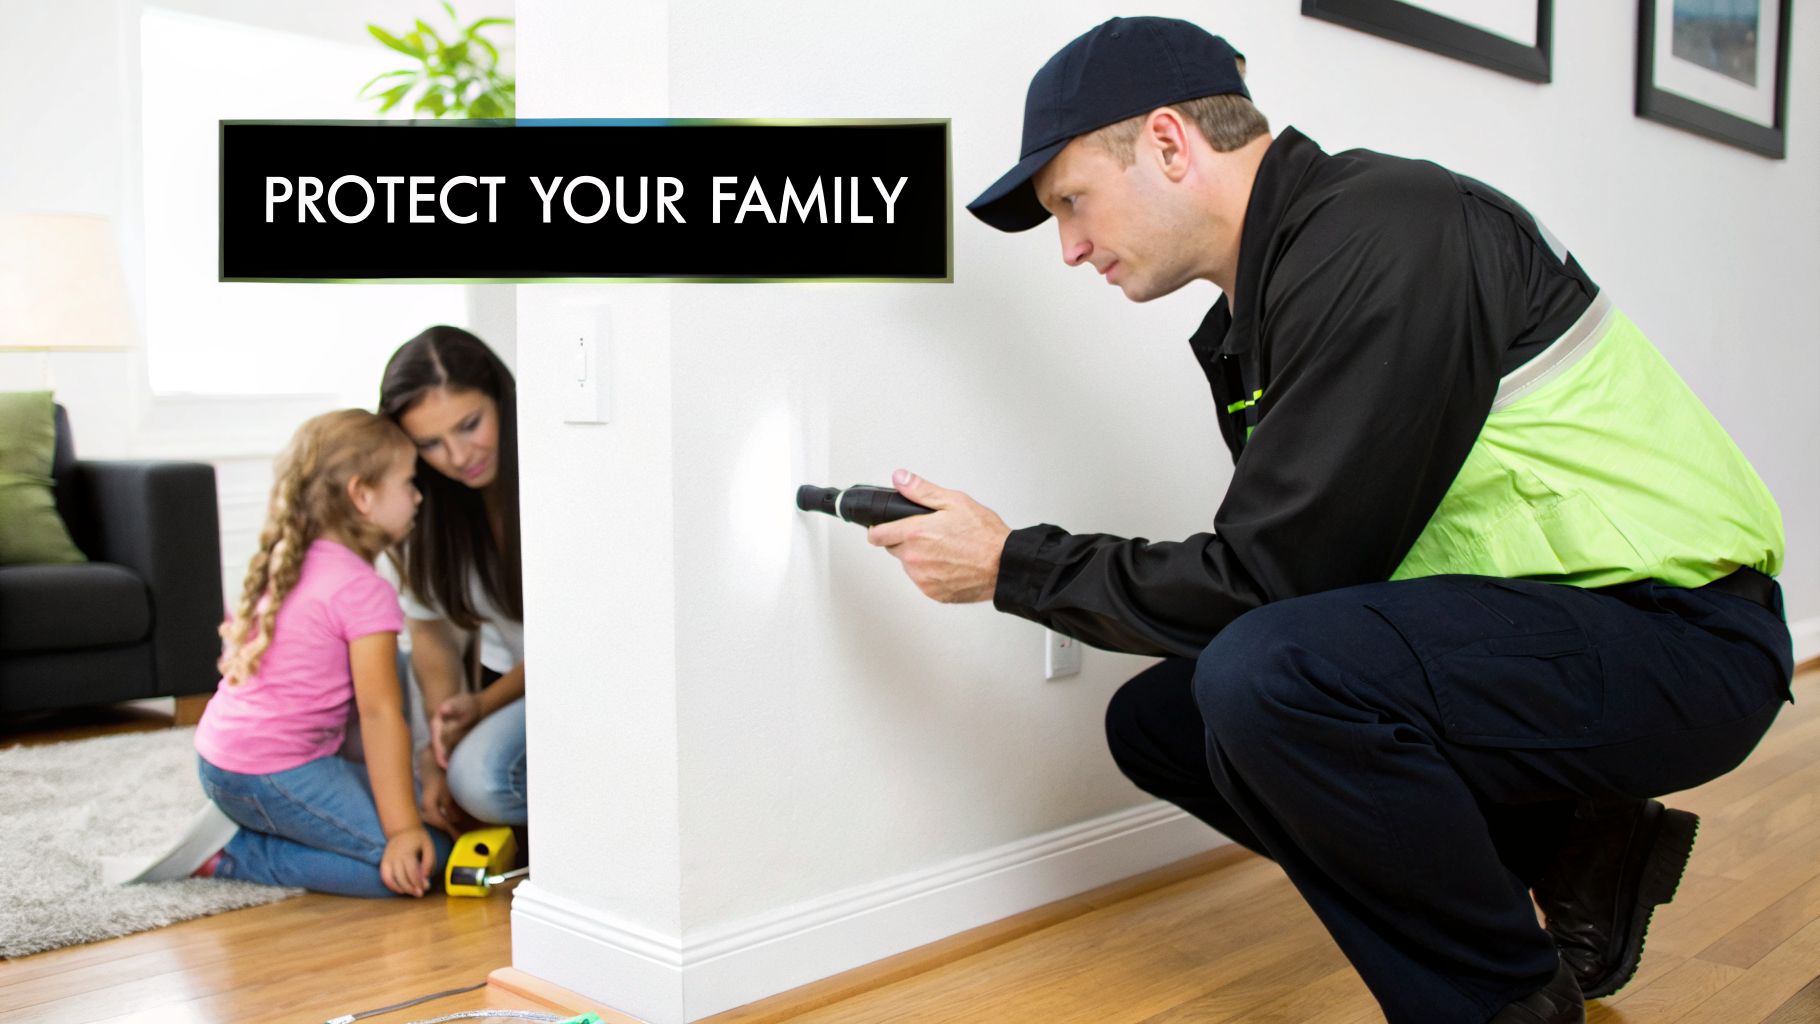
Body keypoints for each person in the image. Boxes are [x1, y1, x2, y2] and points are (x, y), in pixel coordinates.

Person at [867, 17, 1791, 1024]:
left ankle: (1500, 1007)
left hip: (1683, 635)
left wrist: (1011, 565)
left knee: (1266, 675)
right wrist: (1022, 570)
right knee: (1164, 723)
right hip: (1550, 638)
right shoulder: (1268, 306)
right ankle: (1575, 844)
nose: (1070, 247)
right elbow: (1299, 581)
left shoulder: (1386, 234)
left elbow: (1269, 585)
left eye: (1071, 202)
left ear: (1170, 143)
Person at [174, 410, 449, 898]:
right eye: (408, 483)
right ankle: (233, 854)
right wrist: (403, 831)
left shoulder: (292, 561)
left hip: (219, 764)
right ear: (362, 495)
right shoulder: (362, 591)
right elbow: (380, 714)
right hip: (268, 776)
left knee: (414, 820)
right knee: (425, 861)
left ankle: (252, 825)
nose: (417, 497)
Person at [379, 326, 526, 835]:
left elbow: (574, 646)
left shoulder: (557, 479)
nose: (459, 457)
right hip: (509, 688)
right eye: (431, 444)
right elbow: (432, 637)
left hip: (579, 682)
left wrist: (481, 708)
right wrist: (439, 747)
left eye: (469, 425)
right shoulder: (424, 507)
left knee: (483, 780)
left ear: (500, 400)